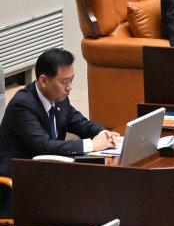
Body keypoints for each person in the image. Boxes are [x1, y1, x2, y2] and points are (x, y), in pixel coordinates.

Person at [0, 49, 118, 180]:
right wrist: (92, 145)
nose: (70, 87)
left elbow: (80, 123)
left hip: (50, 171)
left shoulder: (59, 98)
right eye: (64, 81)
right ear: (44, 81)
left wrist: (104, 134)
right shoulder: (22, 105)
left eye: (71, 80)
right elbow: (44, 146)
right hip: (19, 180)